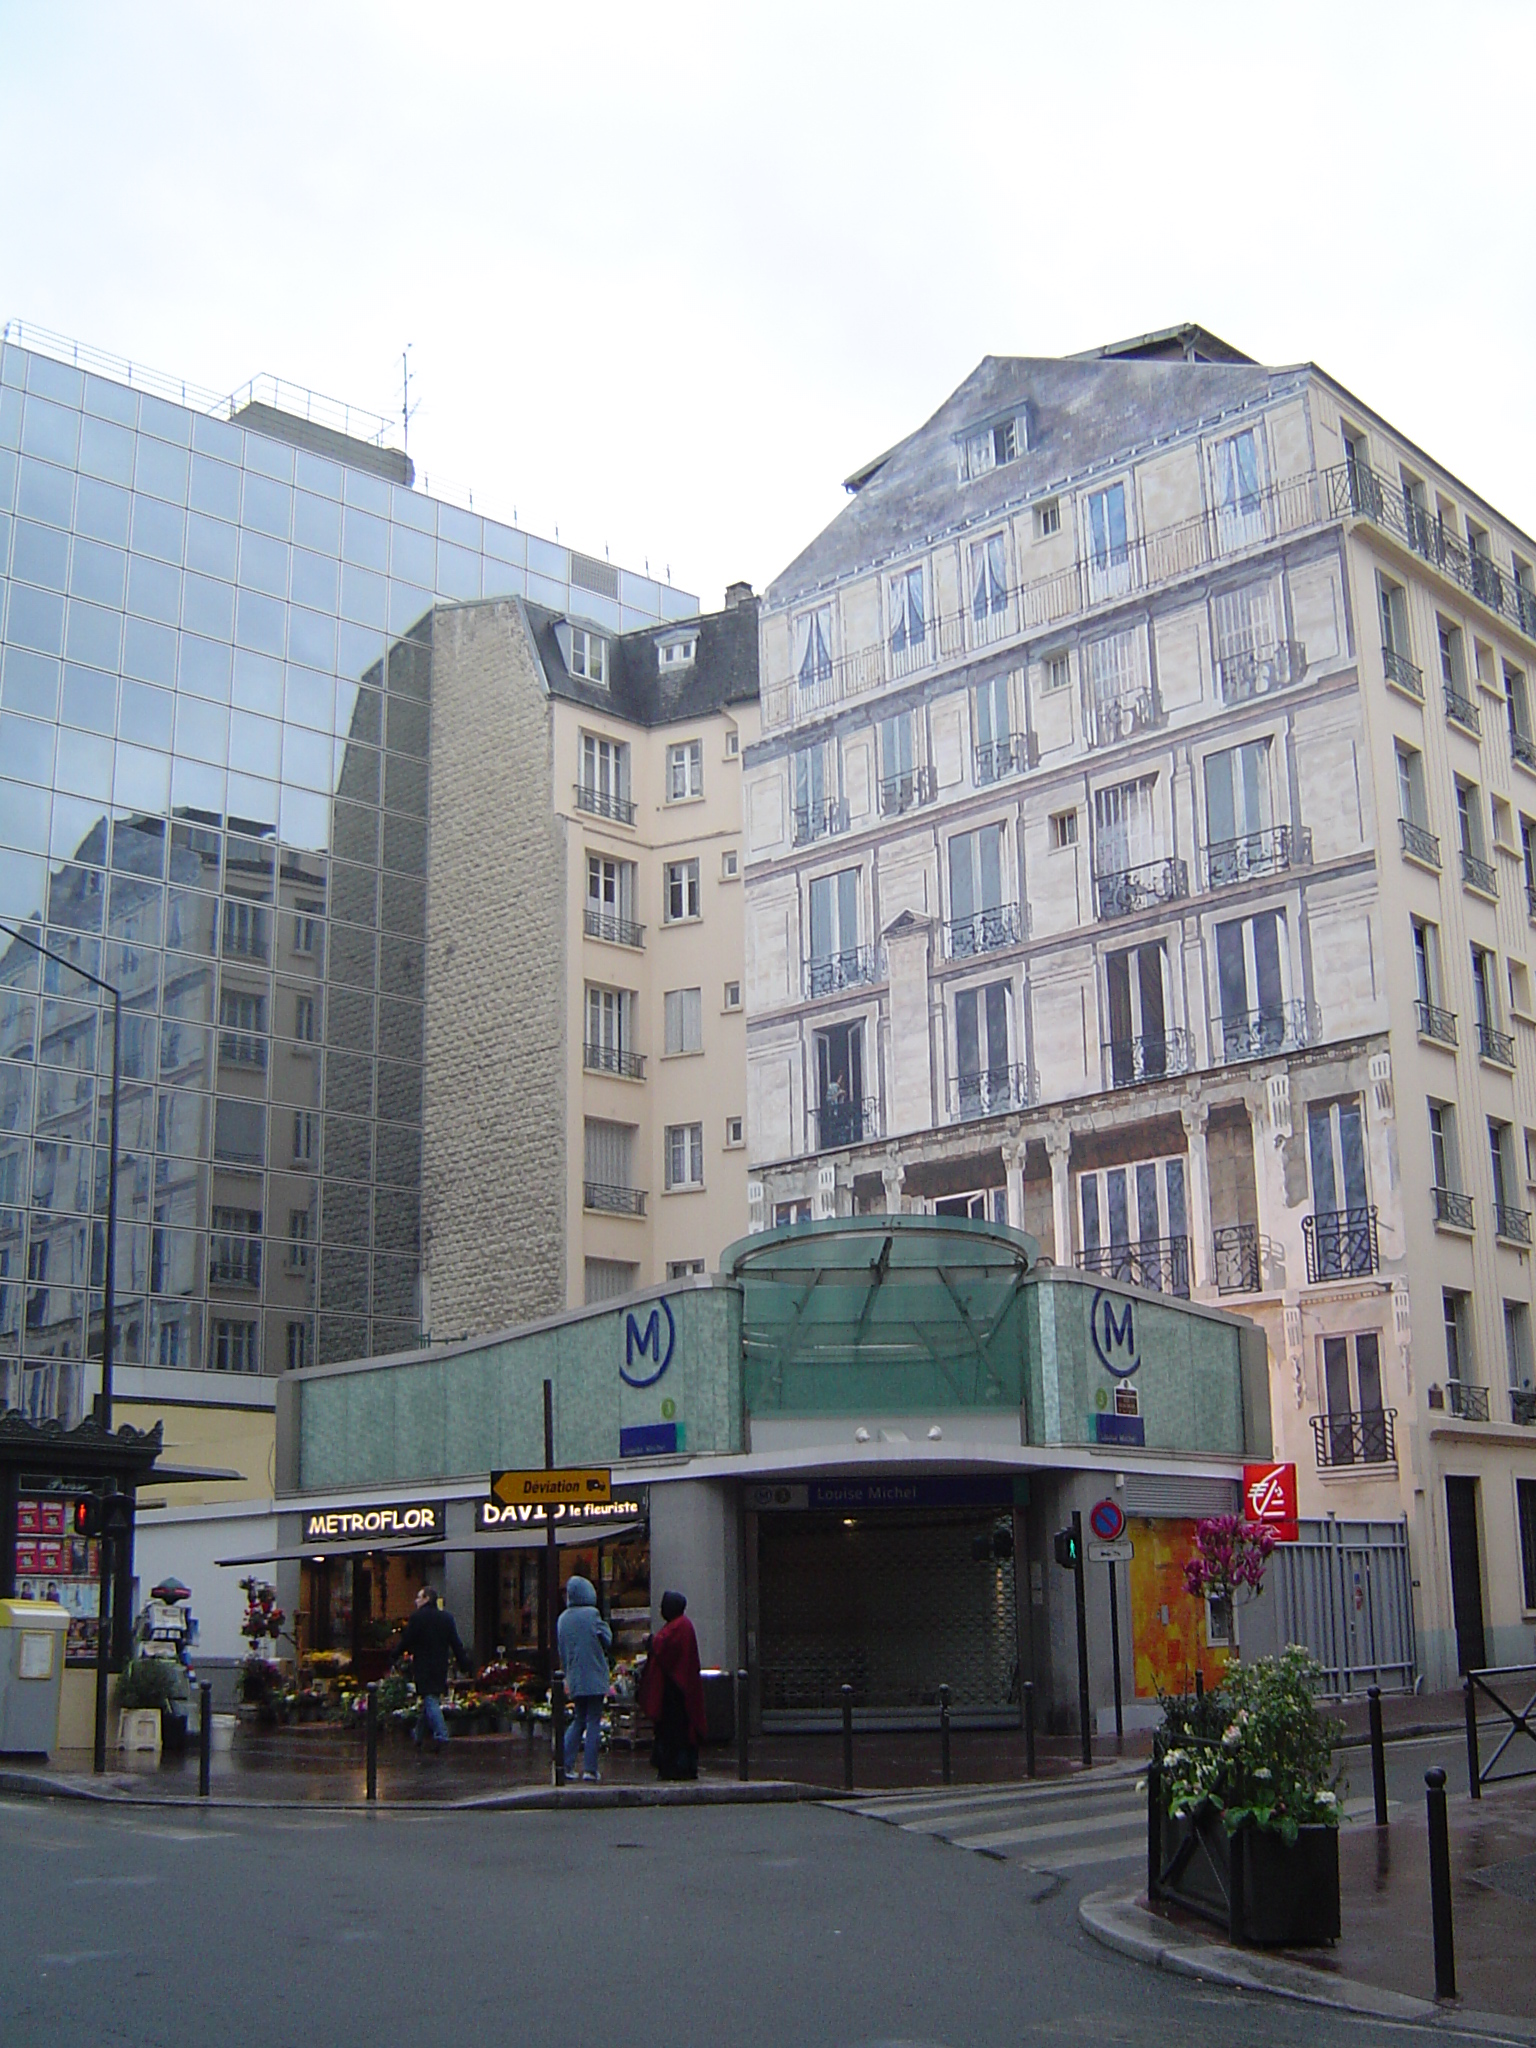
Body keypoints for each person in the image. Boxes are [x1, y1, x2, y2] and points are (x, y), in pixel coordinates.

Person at [637, 1589, 707, 1780]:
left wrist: (650, 1641)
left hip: (675, 1690)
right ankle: (679, 1766)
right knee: (675, 1731)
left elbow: (665, 1648)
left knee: (673, 1731)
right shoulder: (682, 1625)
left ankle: (675, 1767)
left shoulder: (678, 1627)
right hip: (678, 1687)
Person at [396, 1585, 472, 1752]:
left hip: (423, 1666)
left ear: (426, 1599)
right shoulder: (446, 1618)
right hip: (440, 1665)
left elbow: (406, 1641)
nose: (416, 1601)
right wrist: (464, 1663)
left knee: (430, 1699)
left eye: (419, 1597)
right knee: (430, 1699)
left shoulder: (417, 1618)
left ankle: (442, 1735)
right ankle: (418, 1734)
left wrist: (394, 1656)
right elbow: (455, 1643)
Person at [556, 1575, 612, 1782]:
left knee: (578, 1719)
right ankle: (590, 1769)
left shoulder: (563, 1619)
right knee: (593, 1720)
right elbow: (608, 1639)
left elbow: (561, 1651)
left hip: (575, 1677)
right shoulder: (592, 1615)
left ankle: (564, 1763)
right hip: (595, 1675)